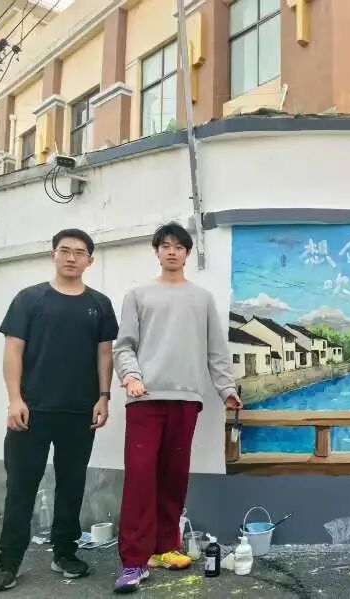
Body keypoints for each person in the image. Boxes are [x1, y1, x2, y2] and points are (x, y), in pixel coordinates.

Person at [112, 222, 242, 594]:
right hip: (145, 397)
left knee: (174, 475)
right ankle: (133, 562)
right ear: (157, 251)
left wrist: (226, 389)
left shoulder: (201, 298)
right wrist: (131, 376)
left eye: (178, 246)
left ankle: (165, 547)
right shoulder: (138, 294)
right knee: (140, 477)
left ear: (186, 253)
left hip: (186, 398)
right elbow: (124, 345)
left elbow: (216, 350)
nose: (172, 251)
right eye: (165, 245)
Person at [0, 229, 118, 592]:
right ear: (53, 255)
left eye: (79, 252)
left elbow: (104, 353)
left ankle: (65, 553)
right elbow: (13, 350)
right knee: (20, 487)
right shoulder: (30, 299)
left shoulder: (99, 304)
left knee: (71, 485)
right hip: (31, 410)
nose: (71, 257)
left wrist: (104, 397)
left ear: (90, 260)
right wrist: (15, 399)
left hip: (79, 412)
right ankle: (9, 563)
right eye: (65, 250)